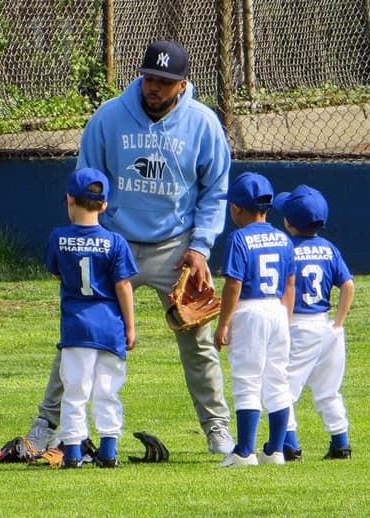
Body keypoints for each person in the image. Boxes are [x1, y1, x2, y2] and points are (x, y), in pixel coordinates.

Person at [26, 39, 235, 455]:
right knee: (80, 336)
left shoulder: (203, 123)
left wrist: (201, 247)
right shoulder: (109, 118)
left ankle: (217, 431)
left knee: (197, 342)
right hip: (113, 242)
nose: (154, 87)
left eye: (164, 81)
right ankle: (45, 425)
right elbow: (86, 178)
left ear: (183, 84)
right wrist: (93, 239)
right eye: (149, 78)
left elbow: (214, 190)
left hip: (175, 249)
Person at [47, 168, 138, 468]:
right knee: (107, 389)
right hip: (110, 327)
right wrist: (131, 326)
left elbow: (57, 272)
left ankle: (72, 453)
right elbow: (123, 286)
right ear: (104, 204)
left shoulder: (58, 238)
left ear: (70, 200)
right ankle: (109, 451)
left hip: (76, 328)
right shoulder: (116, 242)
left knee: (75, 390)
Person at [213, 172, 295, 467]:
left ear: (236, 208)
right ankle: (275, 450)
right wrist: (285, 317)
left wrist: (223, 324)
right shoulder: (283, 238)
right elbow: (290, 283)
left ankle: (244, 452)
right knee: (277, 378)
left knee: (247, 378)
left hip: (249, 311)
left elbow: (233, 284)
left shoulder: (238, 239)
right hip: (276, 309)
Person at [272, 185, 355, 461]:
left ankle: (290, 444)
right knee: (328, 389)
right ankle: (340, 442)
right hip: (327, 325)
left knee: (282, 386)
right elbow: (348, 285)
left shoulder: (286, 248)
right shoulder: (329, 249)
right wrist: (339, 322)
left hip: (298, 325)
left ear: (288, 222)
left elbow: (285, 287)